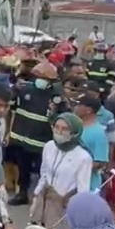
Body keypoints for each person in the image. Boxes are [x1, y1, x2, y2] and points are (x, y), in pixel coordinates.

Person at [8, 61, 67, 206]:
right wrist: (14, 90)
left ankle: (43, 199)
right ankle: (22, 194)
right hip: (22, 139)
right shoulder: (24, 89)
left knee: (44, 173)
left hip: (43, 143)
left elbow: (62, 117)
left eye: (46, 79)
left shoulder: (56, 96)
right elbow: (10, 106)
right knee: (23, 170)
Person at [31, 113, 92, 229]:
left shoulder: (83, 157)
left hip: (63, 207)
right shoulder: (49, 146)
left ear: (74, 132)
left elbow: (83, 191)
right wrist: (36, 197)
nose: (59, 131)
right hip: (44, 201)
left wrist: (77, 219)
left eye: (64, 129)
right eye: (56, 127)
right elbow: (44, 174)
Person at [75, 94, 109, 192]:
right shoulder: (76, 127)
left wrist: (76, 169)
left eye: (79, 105)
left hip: (88, 186)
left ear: (88, 110)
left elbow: (100, 161)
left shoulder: (98, 132)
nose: (75, 107)